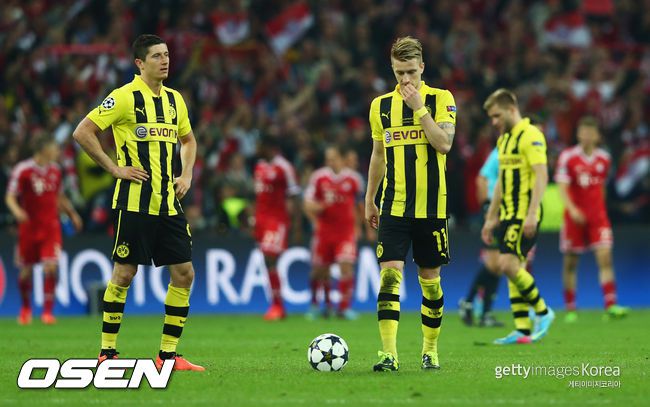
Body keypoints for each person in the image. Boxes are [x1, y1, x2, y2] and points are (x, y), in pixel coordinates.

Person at [72, 34, 203, 371]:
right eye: (157, 56)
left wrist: (187, 174)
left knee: (184, 273)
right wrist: (114, 168)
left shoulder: (175, 100)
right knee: (124, 274)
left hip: (169, 204)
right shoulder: (123, 97)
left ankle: (168, 356)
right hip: (135, 203)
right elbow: (83, 131)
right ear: (140, 63)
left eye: (167, 54)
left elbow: (189, 141)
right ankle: (107, 352)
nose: (165, 60)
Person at [366, 36, 456, 371]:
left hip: (431, 208)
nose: (405, 80)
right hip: (394, 206)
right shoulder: (380, 106)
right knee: (390, 277)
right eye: (399, 72)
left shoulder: (441, 98)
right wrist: (369, 198)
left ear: (422, 68)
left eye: (411, 72)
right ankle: (388, 354)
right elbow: (378, 155)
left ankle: (430, 350)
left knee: (430, 283)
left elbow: (444, 143)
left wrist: (419, 108)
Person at [481, 88, 555, 345]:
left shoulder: (531, 135)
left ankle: (543, 312)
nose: (494, 122)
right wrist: (491, 217)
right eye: (491, 117)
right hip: (506, 213)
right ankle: (523, 330)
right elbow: (501, 181)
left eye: (497, 116)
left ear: (512, 109)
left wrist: (532, 213)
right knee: (515, 268)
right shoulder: (504, 140)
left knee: (507, 265)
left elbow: (541, 175)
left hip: (524, 213)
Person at [555, 116, 629, 322]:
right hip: (574, 218)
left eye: (591, 132)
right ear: (578, 134)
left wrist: (599, 209)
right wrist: (572, 210)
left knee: (605, 257)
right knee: (571, 262)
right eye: (583, 132)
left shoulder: (604, 158)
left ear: (597, 136)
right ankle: (570, 308)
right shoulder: (568, 157)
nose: (587, 136)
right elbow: (562, 187)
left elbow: (601, 187)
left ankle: (611, 305)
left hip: (598, 217)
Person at [6, 136, 83, 325]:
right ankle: (25, 308)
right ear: (43, 149)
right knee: (26, 271)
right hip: (29, 228)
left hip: (50, 227)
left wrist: (73, 214)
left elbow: (59, 196)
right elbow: (10, 196)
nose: (57, 152)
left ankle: (47, 312)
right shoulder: (23, 170)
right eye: (54, 148)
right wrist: (17, 211)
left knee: (51, 267)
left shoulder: (56, 170)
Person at [304, 145, 363, 320]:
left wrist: (360, 227)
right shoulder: (319, 177)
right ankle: (318, 304)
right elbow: (307, 204)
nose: (329, 162)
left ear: (341, 159)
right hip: (324, 232)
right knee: (320, 271)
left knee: (346, 266)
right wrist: (317, 212)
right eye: (327, 159)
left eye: (333, 158)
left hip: (345, 232)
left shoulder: (354, 179)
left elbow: (359, 205)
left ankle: (344, 308)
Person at [253, 136, 301, 321]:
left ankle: (278, 306)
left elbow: (294, 195)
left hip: (277, 220)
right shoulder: (259, 166)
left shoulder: (284, 167)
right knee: (267, 261)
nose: (257, 149)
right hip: (261, 220)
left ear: (269, 147)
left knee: (269, 257)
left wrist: (296, 226)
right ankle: (276, 304)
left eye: (260, 146)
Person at [459, 147, 504, 327]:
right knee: (494, 263)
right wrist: (487, 208)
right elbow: (481, 179)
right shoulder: (499, 153)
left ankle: (484, 312)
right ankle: (469, 302)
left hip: (505, 212)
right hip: (494, 211)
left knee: (498, 266)